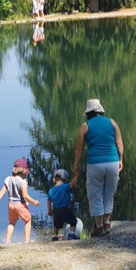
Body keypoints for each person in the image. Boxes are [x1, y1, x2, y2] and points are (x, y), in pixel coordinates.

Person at [71, 98, 123, 237]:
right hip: (112, 162)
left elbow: (79, 149)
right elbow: (119, 143)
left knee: (95, 194)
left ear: (88, 112)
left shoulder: (85, 126)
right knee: (109, 192)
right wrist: (120, 159)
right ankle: (107, 223)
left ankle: (99, 226)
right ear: (100, 110)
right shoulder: (112, 122)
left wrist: (76, 165)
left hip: (95, 164)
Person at [0, 157, 41, 244]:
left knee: (12, 222)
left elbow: (2, 191)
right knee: (28, 219)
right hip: (20, 205)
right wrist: (34, 201)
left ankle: (7, 240)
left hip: (11, 205)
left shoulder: (8, 179)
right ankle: (27, 240)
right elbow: (25, 195)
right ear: (24, 170)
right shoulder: (23, 182)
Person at [47, 169, 78, 241]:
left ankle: (54, 237)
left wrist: (49, 210)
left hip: (56, 210)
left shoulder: (51, 190)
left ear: (54, 179)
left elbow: (49, 201)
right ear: (65, 179)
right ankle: (71, 235)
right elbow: (73, 184)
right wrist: (77, 175)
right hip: (65, 209)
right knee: (73, 221)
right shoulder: (65, 187)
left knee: (56, 226)